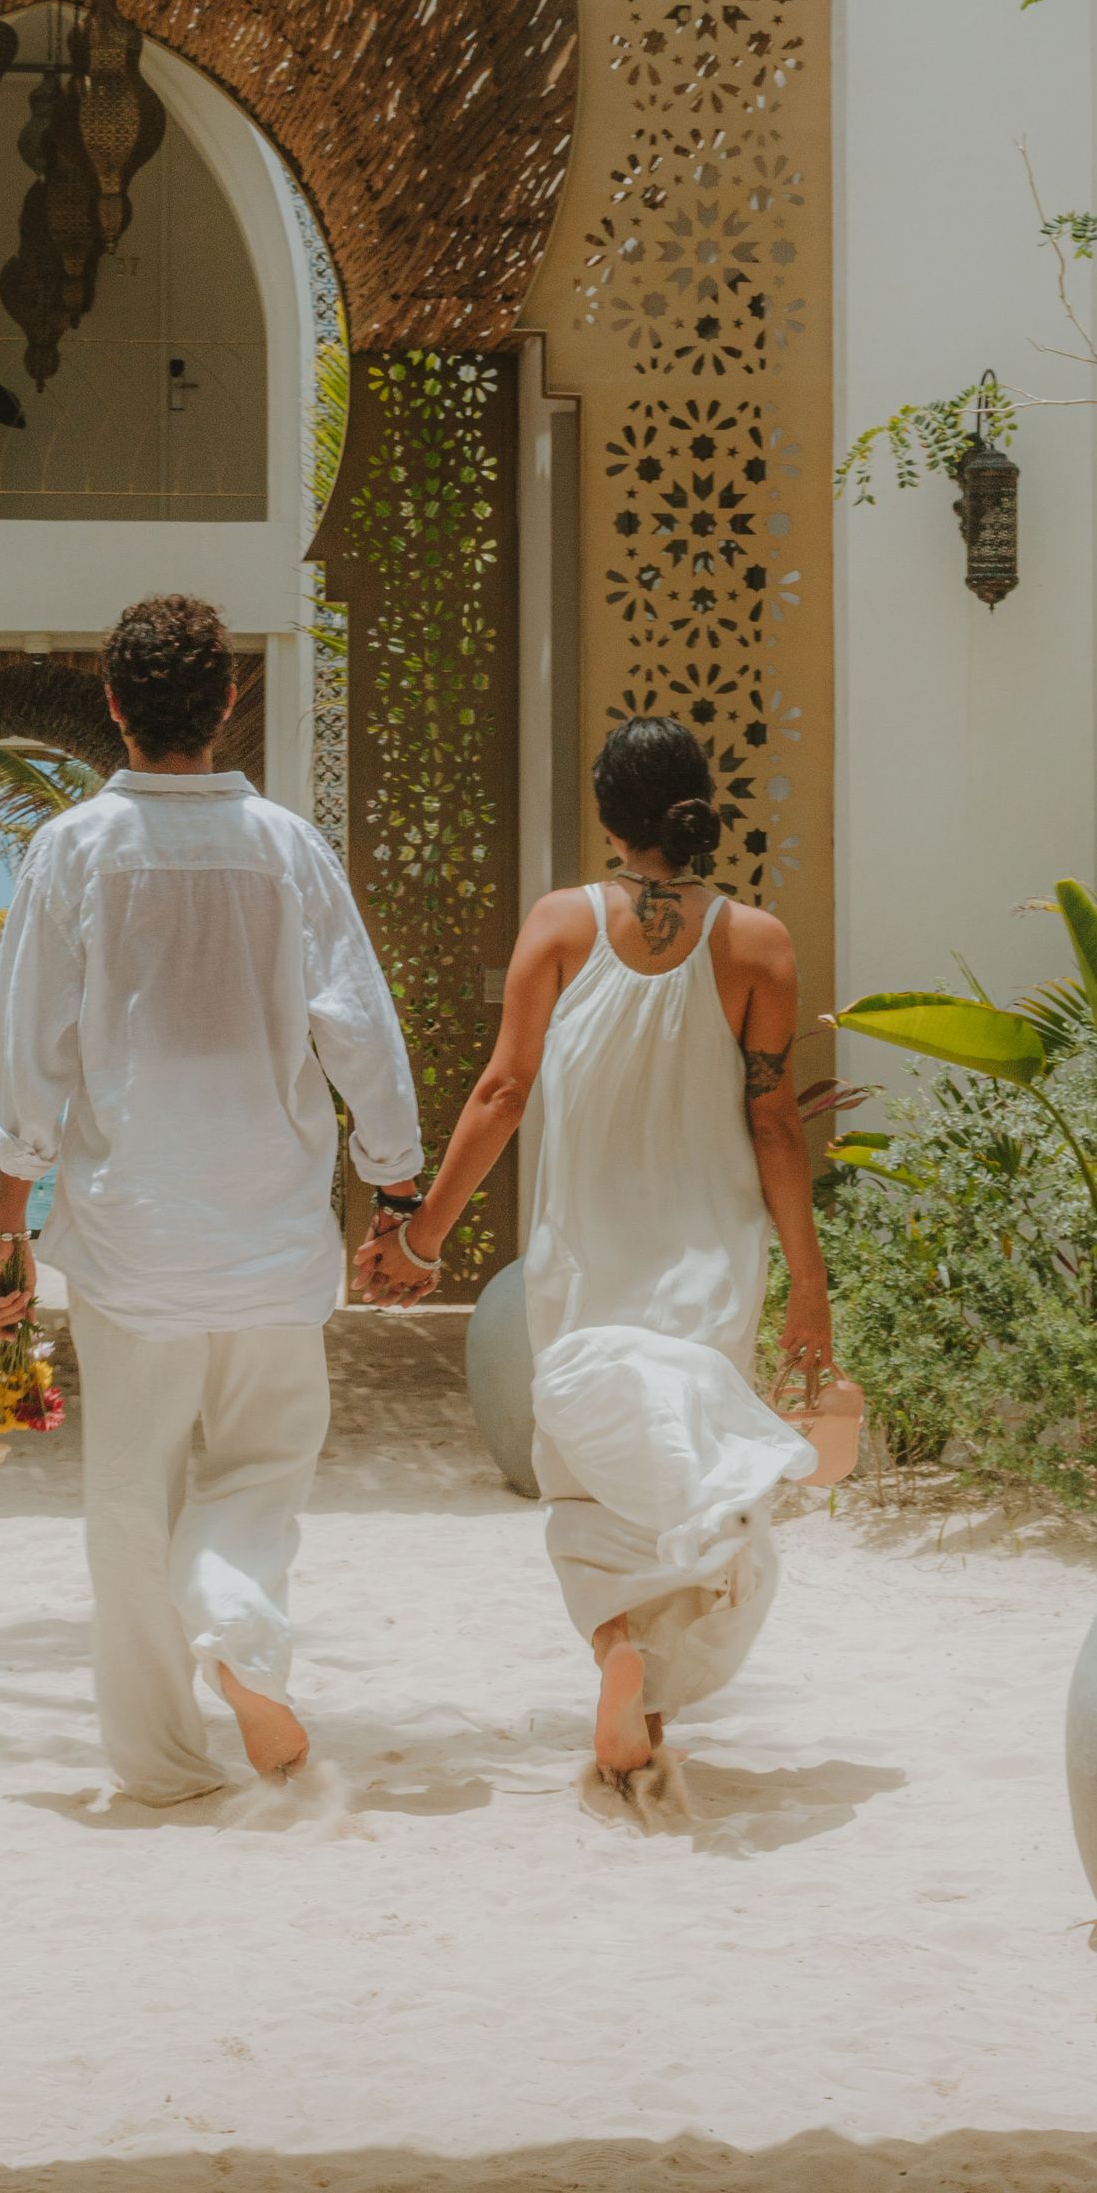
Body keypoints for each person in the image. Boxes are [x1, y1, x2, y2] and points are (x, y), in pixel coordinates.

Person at [0, 594, 424, 1803]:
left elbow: (33, 1054)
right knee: (264, 1464)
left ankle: (164, 1764)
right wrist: (395, 1185)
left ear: (113, 705)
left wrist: (11, 1226)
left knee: (130, 1500)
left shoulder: (73, 848)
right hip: (273, 1231)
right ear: (227, 701)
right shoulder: (288, 848)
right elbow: (359, 1027)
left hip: (131, 1238)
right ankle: (235, 1619)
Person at [355, 714, 832, 1790]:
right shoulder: (759, 944)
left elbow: (502, 1090)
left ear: (611, 819)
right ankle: (648, 1702)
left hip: (584, 1265)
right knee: (694, 1480)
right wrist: (809, 1284)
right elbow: (774, 1125)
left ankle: (618, 1648)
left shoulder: (562, 923)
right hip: (711, 1265)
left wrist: (421, 1237)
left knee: (588, 1485)